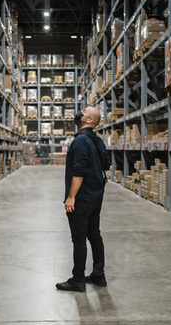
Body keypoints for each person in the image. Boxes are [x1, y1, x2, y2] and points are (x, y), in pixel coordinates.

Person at [56, 106, 111, 292]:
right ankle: (98, 275)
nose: (80, 111)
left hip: (82, 197)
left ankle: (78, 280)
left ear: (88, 120)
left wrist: (71, 197)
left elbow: (79, 171)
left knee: (79, 239)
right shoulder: (96, 139)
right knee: (94, 235)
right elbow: (106, 163)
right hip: (96, 195)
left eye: (84, 110)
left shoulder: (80, 141)